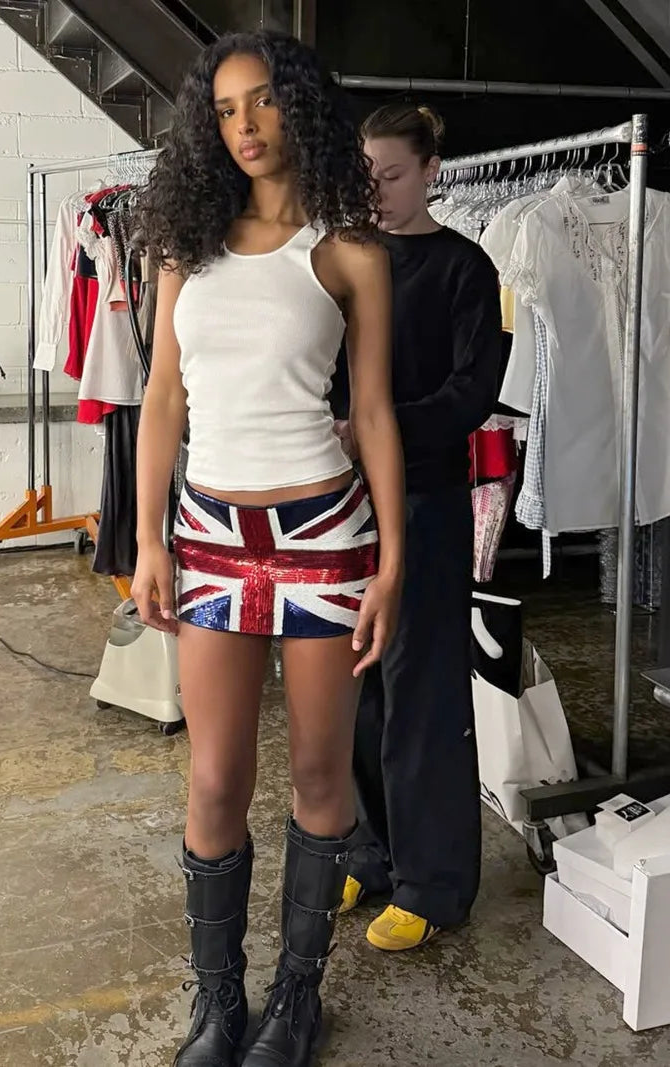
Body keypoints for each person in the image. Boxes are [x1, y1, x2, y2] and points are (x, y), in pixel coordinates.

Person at [131, 31, 405, 1067]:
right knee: (212, 780)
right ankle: (217, 1003)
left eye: (262, 103)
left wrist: (390, 560)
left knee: (320, 776)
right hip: (207, 536)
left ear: (300, 109)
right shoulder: (182, 248)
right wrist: (149, 534)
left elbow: (371, 413)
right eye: (225, 109)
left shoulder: (348, 250)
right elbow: (161, 395)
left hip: (325, 539)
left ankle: (295, 997)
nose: (243, 127)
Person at [333, 105, 502, 950]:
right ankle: (371, 848)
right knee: (359, 687)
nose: (379, 192)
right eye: (366, 177)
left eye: (393, 176)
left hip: (430, 503)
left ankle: (435, 884)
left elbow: (471, 396)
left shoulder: (467, 269)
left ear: (433, 168)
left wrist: (375, 425)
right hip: (347, 504)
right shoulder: (351, 261)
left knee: (426, 693)